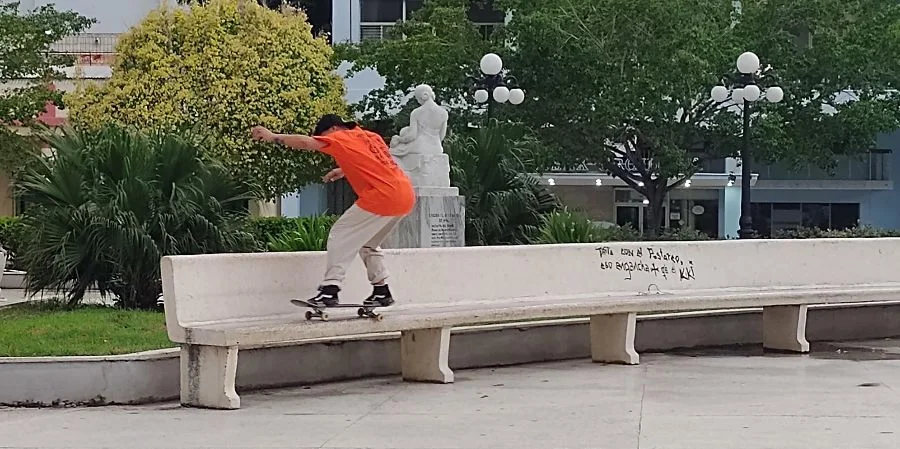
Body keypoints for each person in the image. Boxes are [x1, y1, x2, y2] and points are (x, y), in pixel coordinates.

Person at [250, 114, 415, 308]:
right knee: (368, 244)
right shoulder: (371, 136)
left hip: (382, 195)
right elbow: (372, 160)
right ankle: (381, 290)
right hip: (405, 194)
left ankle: (330, 289)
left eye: (324, 136)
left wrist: (273, 136)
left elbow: (306, 142)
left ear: (332, 129)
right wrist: (344, 170)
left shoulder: (339, 137)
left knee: (340, 234)